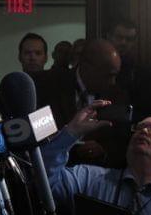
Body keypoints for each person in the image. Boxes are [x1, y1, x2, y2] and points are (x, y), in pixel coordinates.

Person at [34, 39, 129, 167]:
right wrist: (70, 144)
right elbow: (38, 132)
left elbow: (121, 139)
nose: (112, 82)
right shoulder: (47, 86)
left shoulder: (117, 96)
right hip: (53, 170)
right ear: (86, 66)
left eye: (115, 75)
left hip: (96, 174)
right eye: (108, 75)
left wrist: (103, 149)